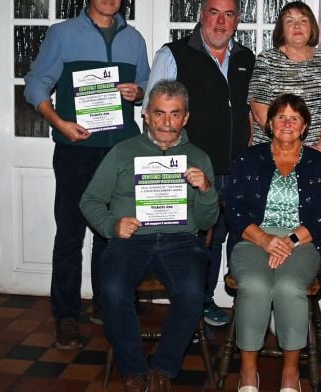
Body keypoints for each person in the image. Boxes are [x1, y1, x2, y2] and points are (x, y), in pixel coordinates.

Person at [23, 0, 149, 348]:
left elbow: (145, 86)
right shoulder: (62, 34)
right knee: (70, 233)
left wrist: (138, 92)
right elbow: (35, 84)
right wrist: (60, 123)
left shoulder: (134, 39)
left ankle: (105, 304)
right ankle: (65, 314)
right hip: (75, 150)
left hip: (120, 152)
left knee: (111, 233)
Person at [80, 80, 219, 392]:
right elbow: (89, 200)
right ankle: (133, 370)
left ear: (185, 118)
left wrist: (207, 191)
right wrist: (112, 225)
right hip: (131, 239)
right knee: (113, 290)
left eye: (174, 114)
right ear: (145, 116)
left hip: (181, 241)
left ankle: (164, 369)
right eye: (159, 113)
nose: (166, 122)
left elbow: (208, 220)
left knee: (192, 292)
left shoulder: (198, 157)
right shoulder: (122, 152)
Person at [143, 0, 255, 327]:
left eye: (229, 14)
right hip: (189, 171)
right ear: (201, 15)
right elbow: (152, 116)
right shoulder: (173, 54)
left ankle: (205, 300)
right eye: (213, 12)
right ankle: (187, 306)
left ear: (238, 19)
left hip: (236, 169)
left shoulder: (246, 59)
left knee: (221, 238)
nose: (220, 22)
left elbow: (252, 113)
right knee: (189, 240)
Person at [225, 94, 321, 392]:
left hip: (301, 241)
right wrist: (264, 239)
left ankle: (290, 373)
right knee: (255, 285)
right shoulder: (249, 158)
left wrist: (287, 241)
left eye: (295, 118)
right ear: (270, 124)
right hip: (252, 238)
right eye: (281, 117)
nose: (287, 123)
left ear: (304, 127)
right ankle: (249, 372)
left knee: (288, 287)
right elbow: (233, 208)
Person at [248, 1, 321, 155]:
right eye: (289, 21)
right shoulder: (266, 60)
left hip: (317, 157)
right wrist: (293, 151)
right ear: (281, 30)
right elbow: (260, 112)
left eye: (303, 20)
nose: (297, 26)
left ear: (312, 26)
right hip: (274, 155)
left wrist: (320, 149)